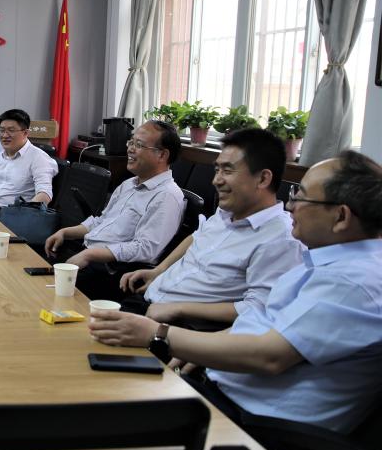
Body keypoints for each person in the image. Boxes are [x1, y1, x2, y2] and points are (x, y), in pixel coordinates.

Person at [90, 150, 382, 434]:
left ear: (341, 216)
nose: (291, 206)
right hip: (219, 388)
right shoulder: (326, 262)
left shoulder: (353, 281)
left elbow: (270, 357)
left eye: (301, 197)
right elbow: (262, 321)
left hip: (254, 425)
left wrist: (159, 335)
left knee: (100, 411)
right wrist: (208, 350)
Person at [119, 128, 305, 327]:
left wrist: (178, 308)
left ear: (263, 179)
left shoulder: (280, 239)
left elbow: (257, 308)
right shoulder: (227, 211)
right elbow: (197, 237)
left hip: (182, 326)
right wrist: (159, 270)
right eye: (217, 170)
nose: (216, 180)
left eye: (227, 171)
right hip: (148, 299)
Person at [44, 119, 185, 301]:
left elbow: (146, 249)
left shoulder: (167, 196)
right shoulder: (129, 184)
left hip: (111, 273)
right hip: (87, 255)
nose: (130, 149)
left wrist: (91, 254)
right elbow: (102, 221)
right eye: (131, 142)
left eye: (139, 145)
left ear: (162, 155)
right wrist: (65, 232)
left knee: (44, 295)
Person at [0, 109, 58, 212]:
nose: (5, 135)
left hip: (16, 213)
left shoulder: (38, 157)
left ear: (25, 133)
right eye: (1, 130)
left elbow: (45, 194)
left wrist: (21, 215)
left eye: (11, 130)